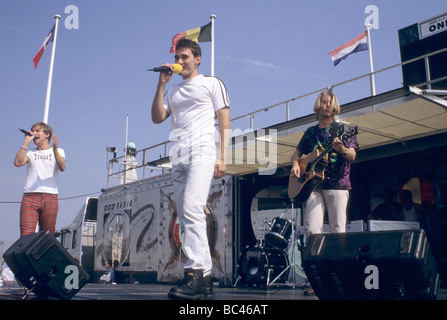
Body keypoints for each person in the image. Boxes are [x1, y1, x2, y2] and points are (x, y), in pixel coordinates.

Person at [151, 39, 230, 300]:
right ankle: (203, 279)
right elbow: (157, 117)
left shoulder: (211, 83)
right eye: (177, 56)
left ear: (198, 59)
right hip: (179, 155)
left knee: (194, 208)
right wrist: (161, 84)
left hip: (202, 150)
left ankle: (197, 271)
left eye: (185, 56)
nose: (180, 61)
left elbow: (224, 120)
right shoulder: (172, 90)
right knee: (185, 214)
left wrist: (223, 157)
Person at [290, 90, 359, 294]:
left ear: (334, 105)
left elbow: (353, 155)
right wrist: (296, 164)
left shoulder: (343, 128)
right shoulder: (311, 132)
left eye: (329, 102)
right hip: (312, 186)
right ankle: (317, 280)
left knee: (338, 230)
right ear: (318, 105)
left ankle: (340, 277)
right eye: (323, 101)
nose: (326, 104)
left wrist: (342, 150)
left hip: (338, 184)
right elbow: (297, 153)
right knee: (312, 231)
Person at [14, 122, 66, 237]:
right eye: (32, 130)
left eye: (37, 130)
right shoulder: (30, 151)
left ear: (47, 134)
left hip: (50, 196)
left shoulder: (59, 151)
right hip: (30, 196)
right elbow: (18, 163)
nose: (34, 133)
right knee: (26, 233)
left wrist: (55, 150)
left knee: (47, 234)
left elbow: (62, 167)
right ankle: (26, 255)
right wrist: (26, 142)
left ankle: (44, 255)